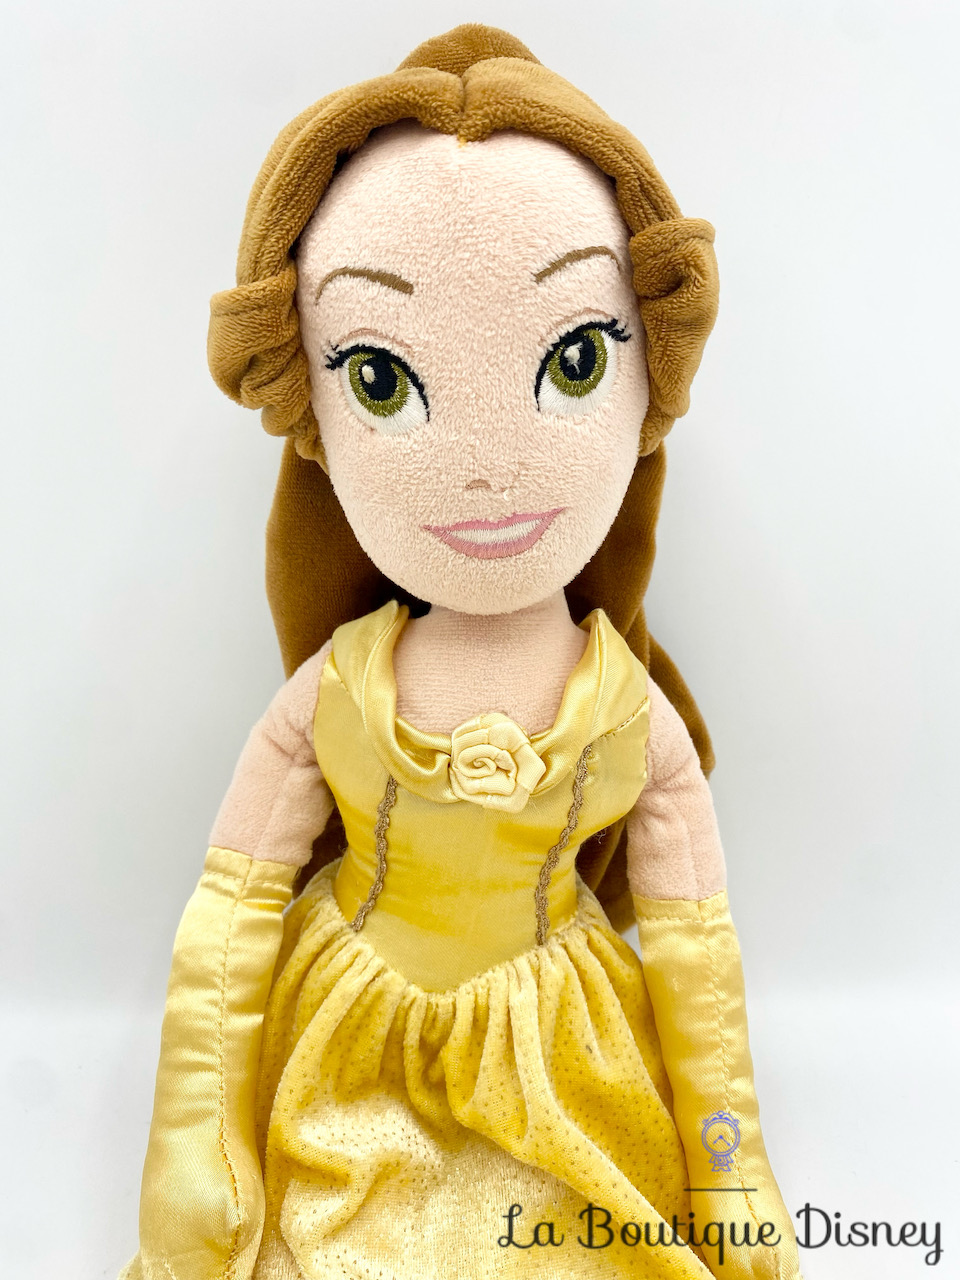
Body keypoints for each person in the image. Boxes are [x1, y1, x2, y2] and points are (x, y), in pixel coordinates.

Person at [121, 25, 801, 1280]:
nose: (486, 467)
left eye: (574, 360)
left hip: (564, 1061)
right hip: (350, 1052)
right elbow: (228, 923)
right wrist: (195, 1157)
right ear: (315, 410)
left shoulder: (624, 711)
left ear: (645, 377)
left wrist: (731, 1177)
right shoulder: (332, 695)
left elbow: (697, 963)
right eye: (381, 379)